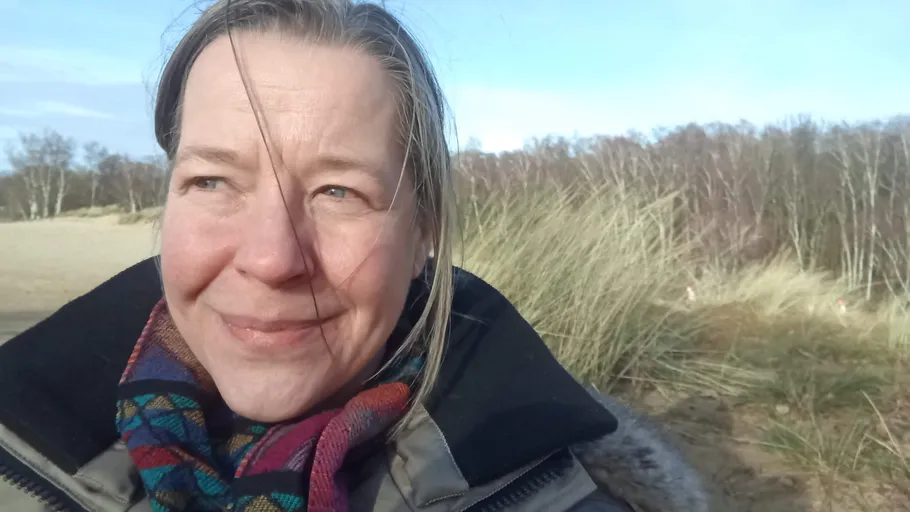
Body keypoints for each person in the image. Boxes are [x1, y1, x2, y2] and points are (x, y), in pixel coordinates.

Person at [0, 1, 709, 510]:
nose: (273, 259)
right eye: (212, 180)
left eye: (340, 190)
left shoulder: (577, 494)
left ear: (423, 233)